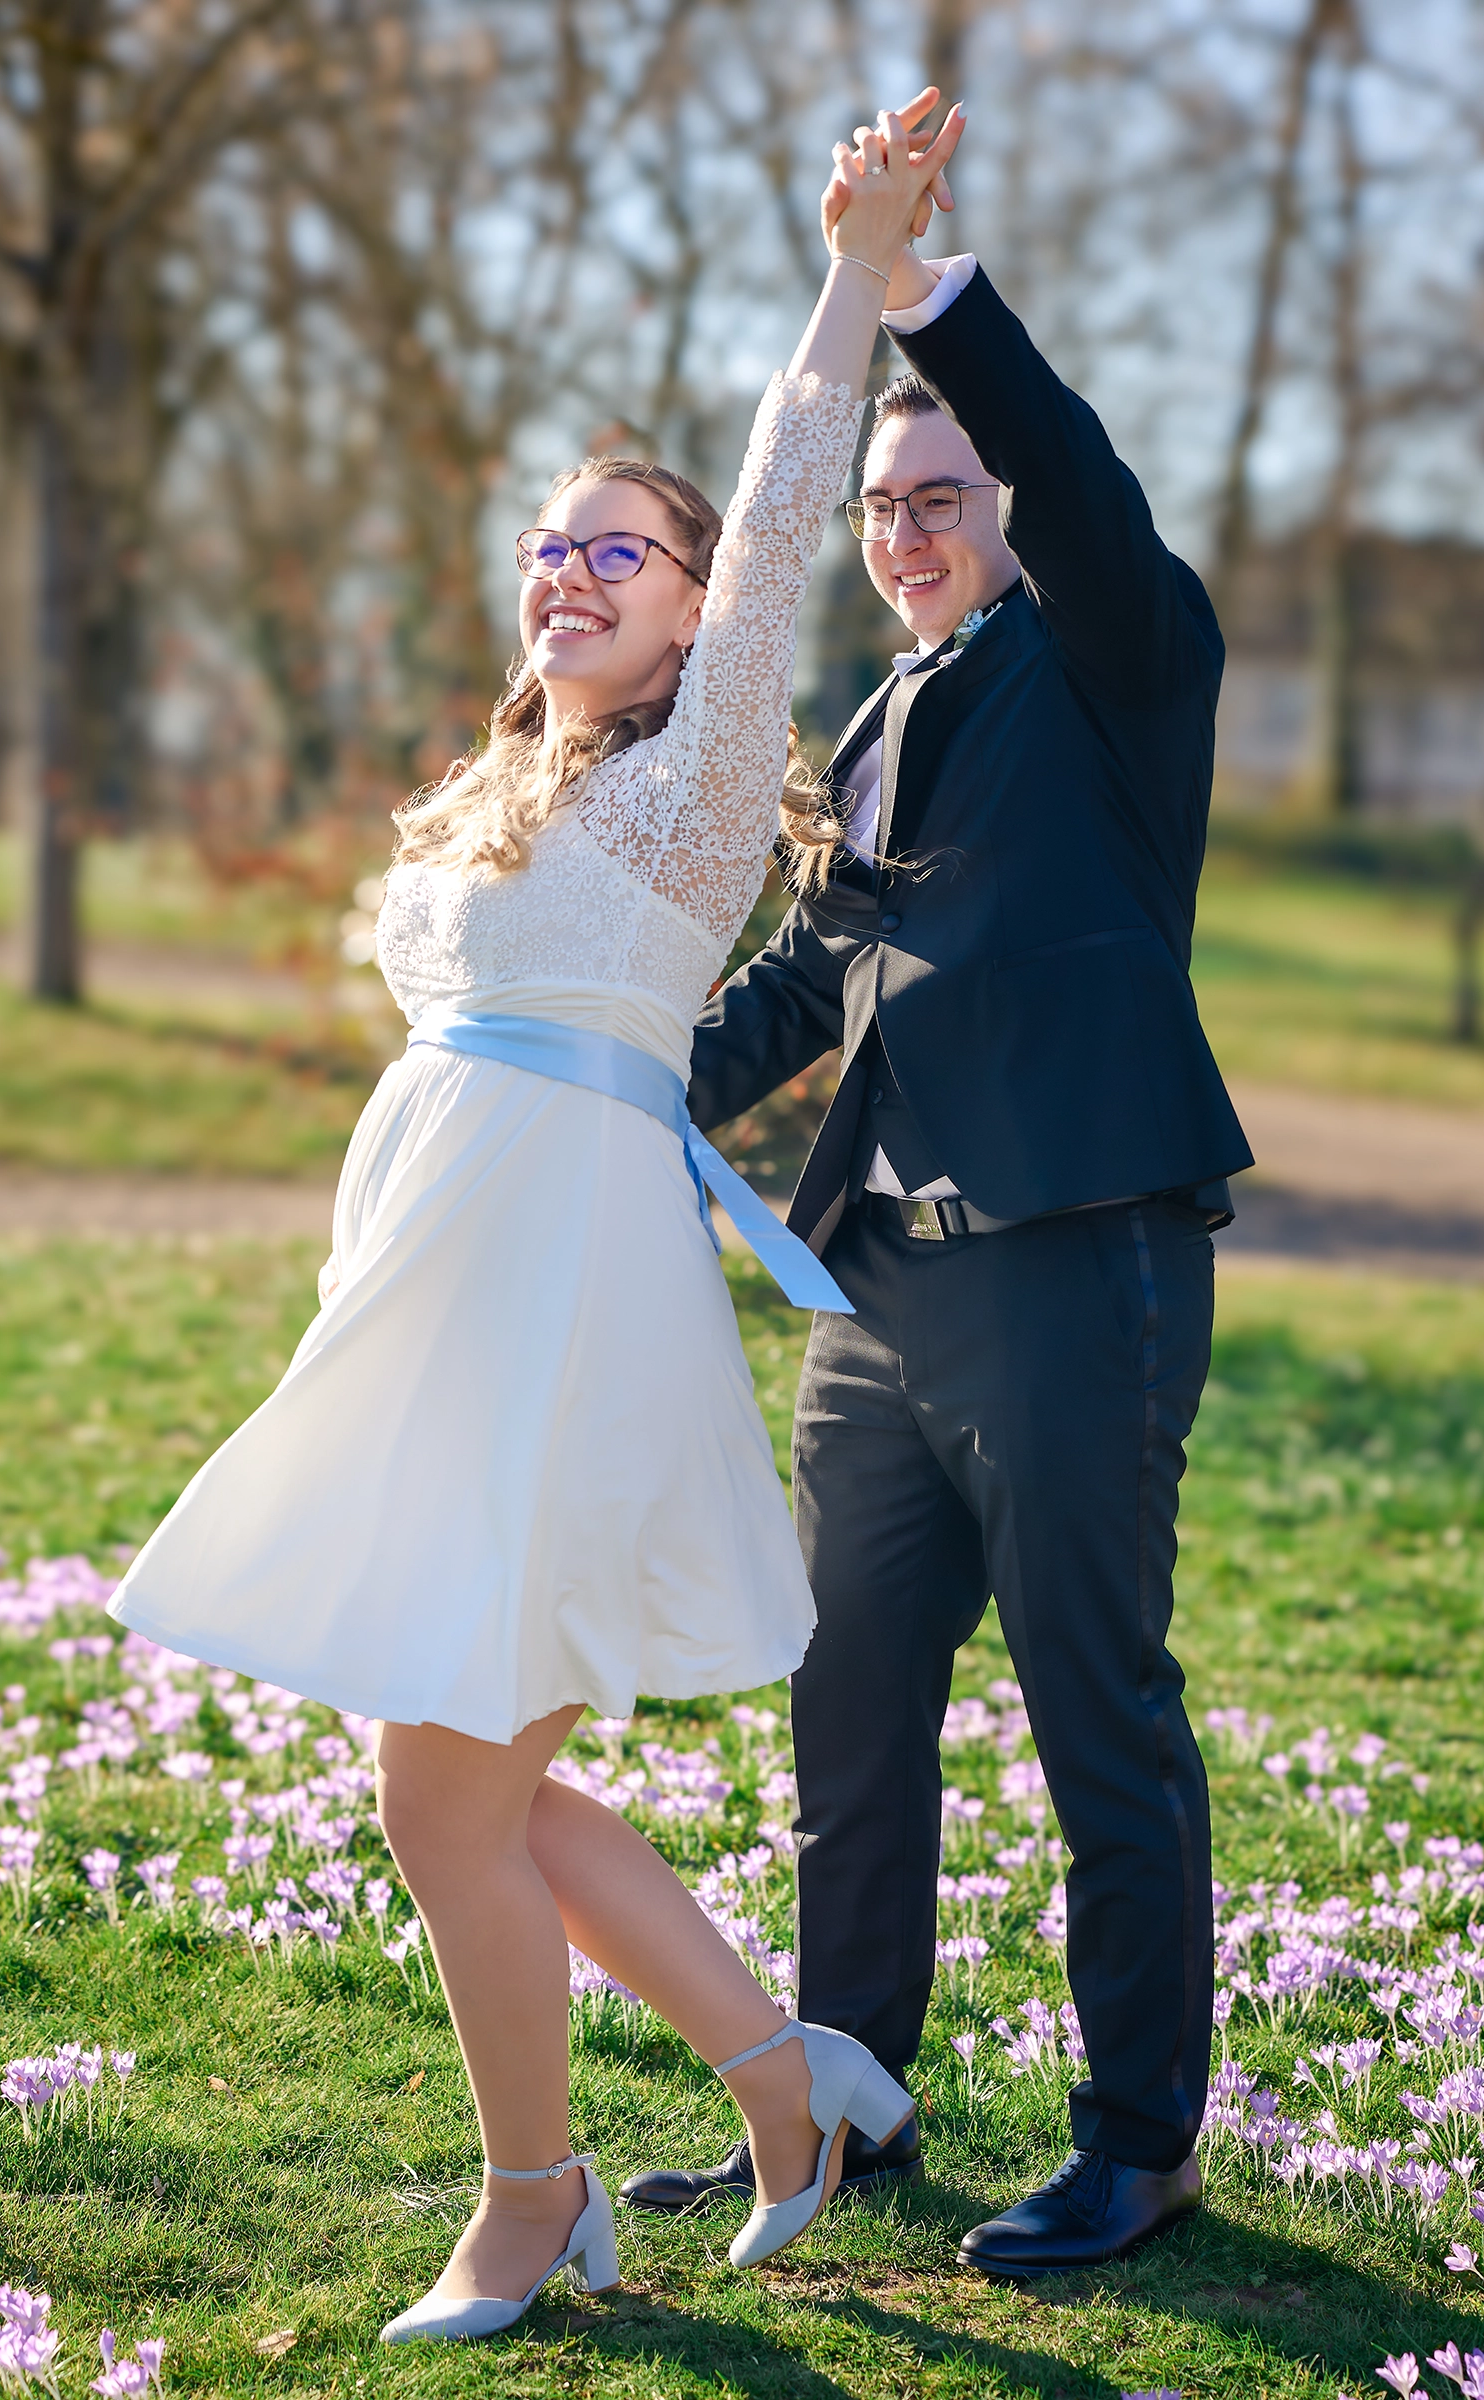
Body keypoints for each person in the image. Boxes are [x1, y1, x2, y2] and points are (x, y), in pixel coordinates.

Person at [106, 99, 965, 2344]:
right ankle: (794, 2086)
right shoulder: (515, 792)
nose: (568, 574)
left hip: (562, 1328)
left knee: (434, 1790)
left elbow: (787, 501)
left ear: (700, 621)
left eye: (620, 555)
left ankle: (541, 2194)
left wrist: (857, 281)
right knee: (488, 1790)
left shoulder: (687, 798)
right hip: (432, 1322)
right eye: (548, 550)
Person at [620, 102, 1254, 2276]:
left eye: (938, 498)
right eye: (883, 509)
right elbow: (815, 966)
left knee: (1101, 1710)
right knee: (849, 1707)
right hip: (876, 1296)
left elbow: (1070, 487)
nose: (904, 534)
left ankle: (1140, 2138)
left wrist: (921, 301)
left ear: (1010, 510)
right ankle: (845, 2102)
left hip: (1084, 1269)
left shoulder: (1114, 664)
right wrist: (621, 1071)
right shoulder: (883, 716)